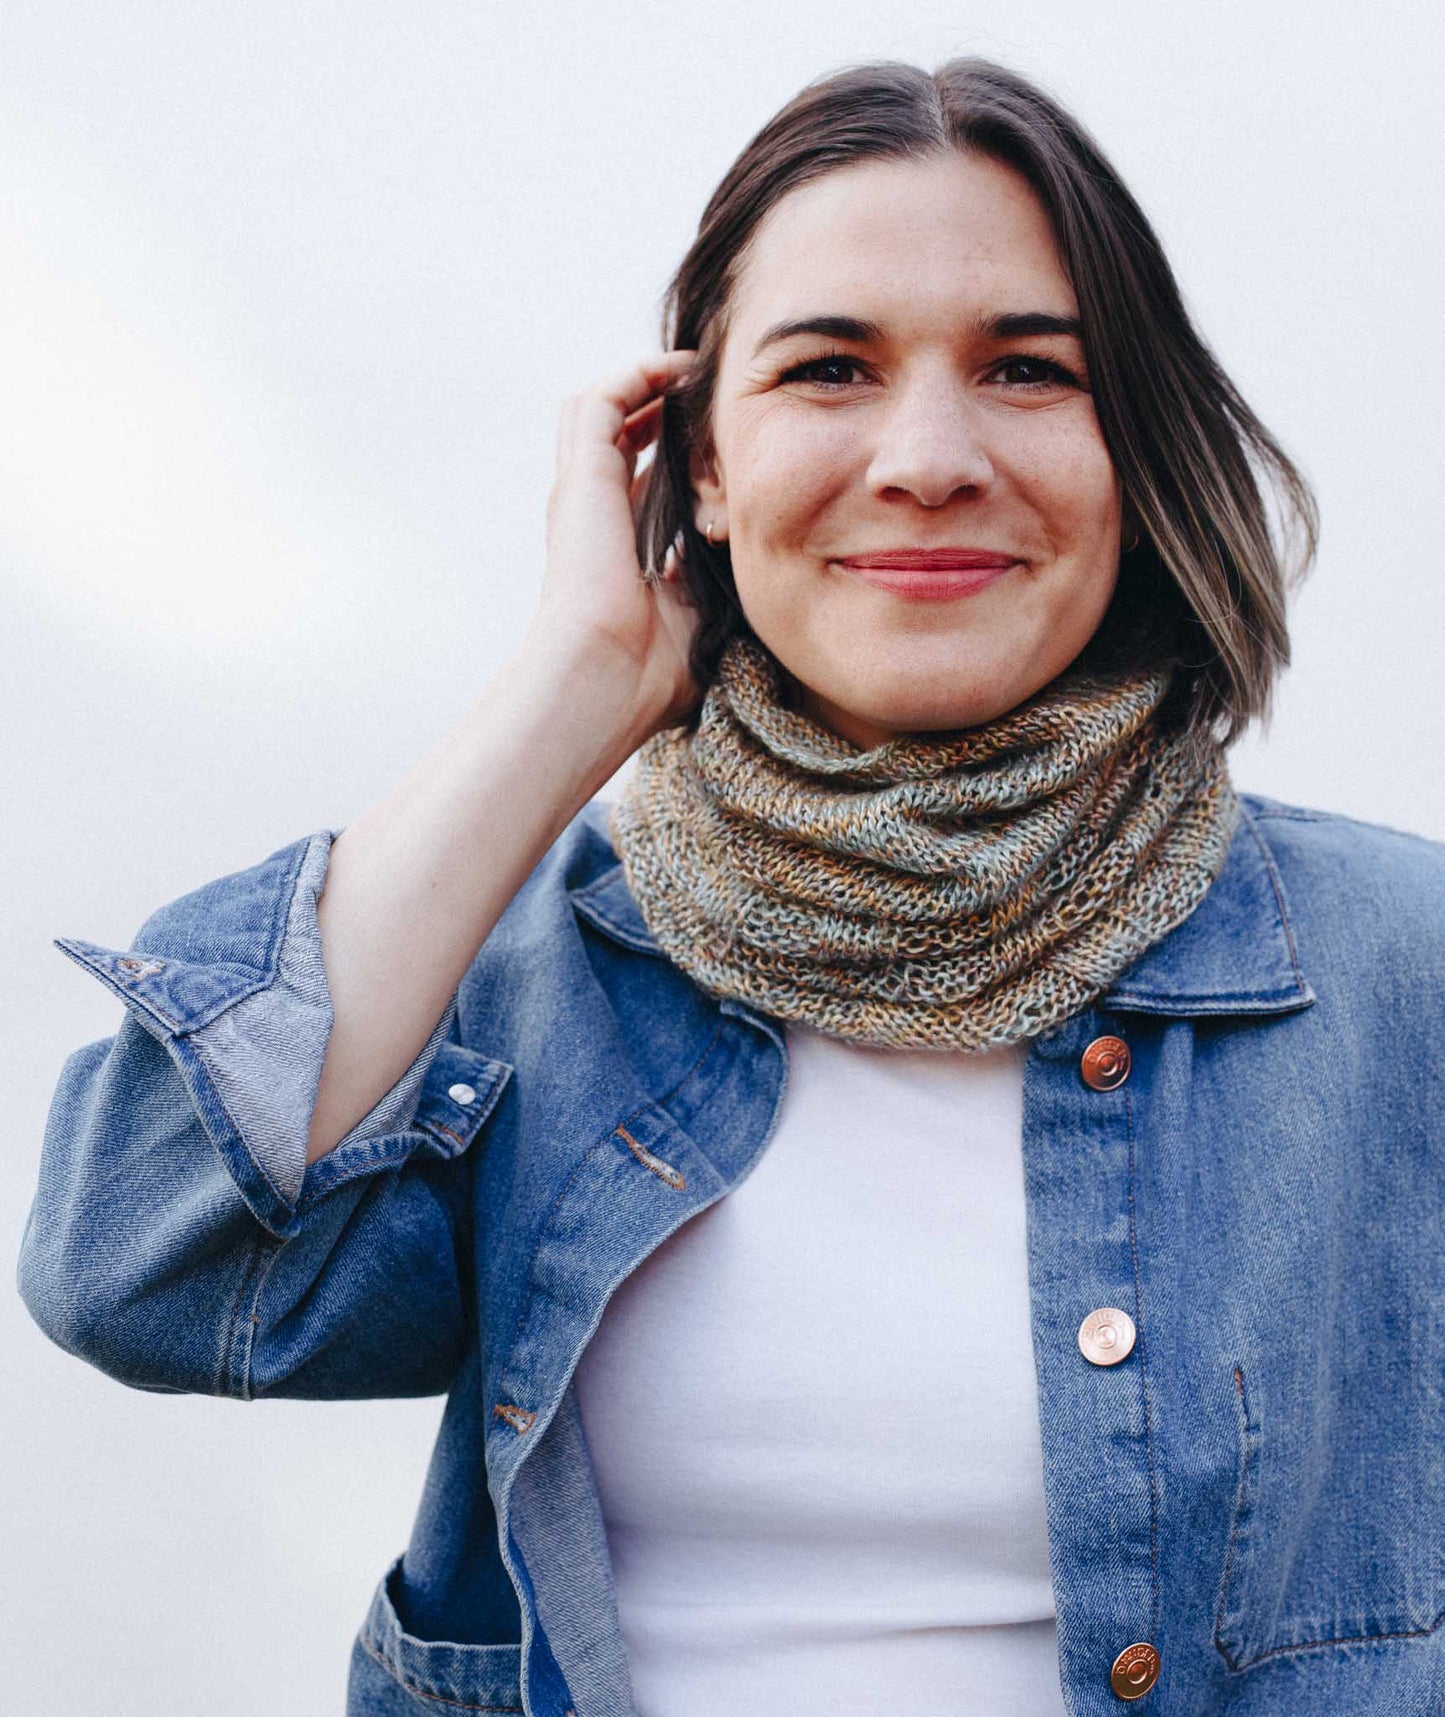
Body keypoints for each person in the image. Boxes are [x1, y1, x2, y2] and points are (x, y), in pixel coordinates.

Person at [17, 54, 1444, 1717]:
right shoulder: (523, 962)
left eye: (1028, 371)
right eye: (828, 368)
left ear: (1133, 453)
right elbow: (135, 1264)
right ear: (694, 465)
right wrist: (571, 683)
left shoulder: (1392, 972)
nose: (926, 456)